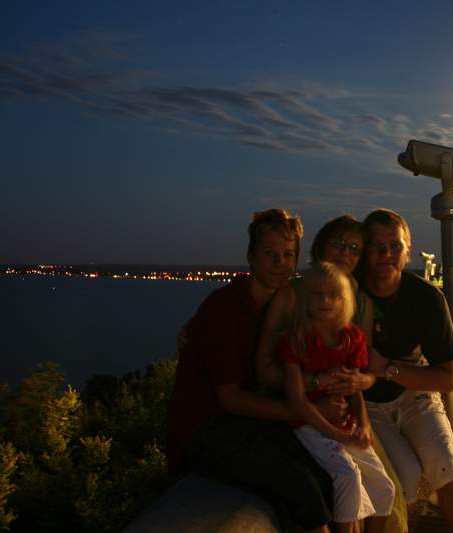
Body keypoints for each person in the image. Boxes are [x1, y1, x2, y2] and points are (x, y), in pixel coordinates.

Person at [165, 208, 334, 533]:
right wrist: (309, 412)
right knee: (298, 484)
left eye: (288, 255)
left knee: (325, 471)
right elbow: (231, 399)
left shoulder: (285, 304)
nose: (279, 263)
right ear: (250, 257)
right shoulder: (226, 307)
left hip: (249, 423)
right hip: (204, 432)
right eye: (269, 253)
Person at [256, 214, 408, 533]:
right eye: (338, 243)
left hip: (345, 412)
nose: (344, 253)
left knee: (385, 488)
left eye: (354, 248)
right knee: (349, 480)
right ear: (320, 246)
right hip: (302, 416)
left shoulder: (359, 303)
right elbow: (266, 370)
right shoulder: (295, 296)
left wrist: (359, 384)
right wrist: (319, 385)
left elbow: (363, 373)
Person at [359, 209, 453, 533]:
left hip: (414, 395)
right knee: (402, 477)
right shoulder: (350, 292)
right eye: (377, 246)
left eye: (395, 246)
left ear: (408, 251)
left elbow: (449, 377)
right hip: (366, 403)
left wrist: (387, 369)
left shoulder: (426, 299)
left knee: (446, 465)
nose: (386, 254)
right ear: (365, 250)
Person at [280, 262, 395, 533]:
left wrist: (363, 424)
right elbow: (297, 400)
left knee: (385, 487)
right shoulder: (297, 340)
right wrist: (337, 434)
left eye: (333, 295)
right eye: (317, 295)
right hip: (310, 425)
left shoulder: (351, 338)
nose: (325, 301)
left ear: (345, 300)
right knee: (347, 475)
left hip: (345, 422)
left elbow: (353, 389)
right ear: (306, 299)